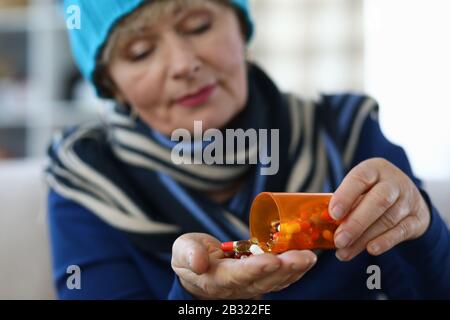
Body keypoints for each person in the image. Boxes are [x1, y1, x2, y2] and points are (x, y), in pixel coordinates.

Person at [47, 0, 450, 299]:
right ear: (113, 88)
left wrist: (424, 228)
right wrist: (198, 302)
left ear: (242, 30)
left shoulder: (348, 133)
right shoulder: (87, 179)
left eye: (199, 25)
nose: (184, 63)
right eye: (141, 52)